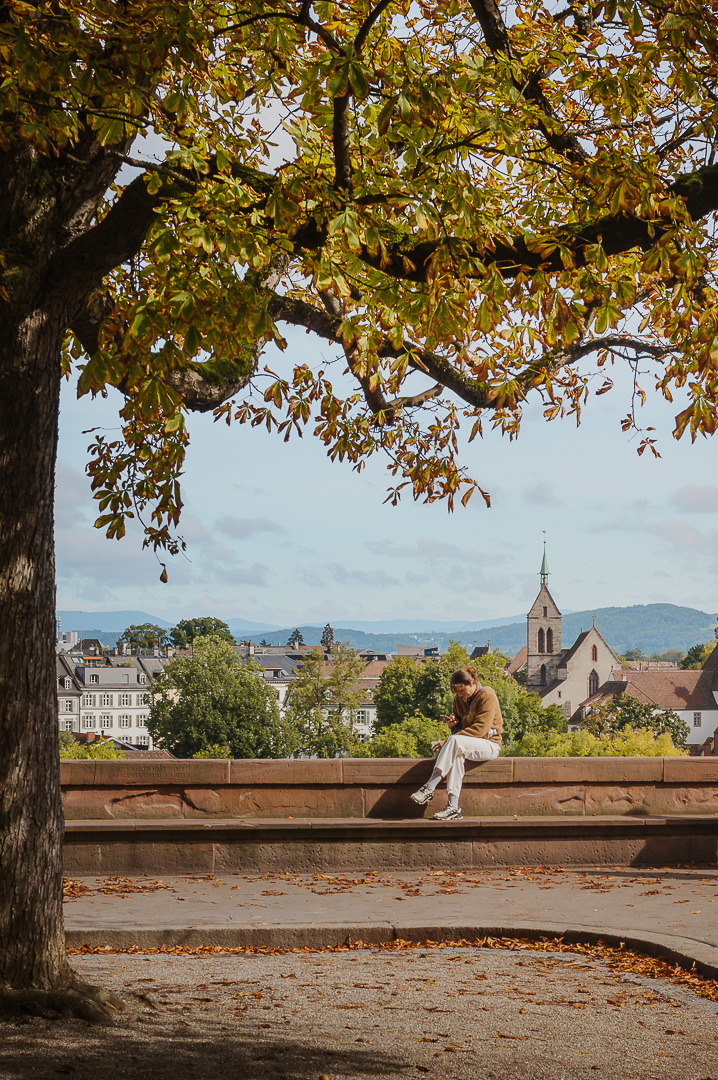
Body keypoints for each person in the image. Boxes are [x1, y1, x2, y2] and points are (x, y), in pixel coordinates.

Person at [410, 666, 503, 820]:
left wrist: (448, 740)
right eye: (456, 690)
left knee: (453, 741)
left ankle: (430, 786)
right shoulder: (458, 699)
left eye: (462, 689)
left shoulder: (487, 694)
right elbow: (461, 729)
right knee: (456, 757)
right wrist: (454, 724)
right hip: (468, 745)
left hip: (490, 744)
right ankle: (453, 806)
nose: (459, 694)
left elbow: (480, 729)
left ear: (472, 683)